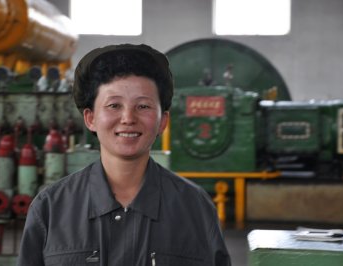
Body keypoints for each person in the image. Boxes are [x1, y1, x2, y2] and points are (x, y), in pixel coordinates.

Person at [17, 44, 231, 266]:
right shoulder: (50, 208)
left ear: (163, 121)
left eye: (143, 106)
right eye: (114, 105)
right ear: (90, 118)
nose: (128, 118)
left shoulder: (195, 208)